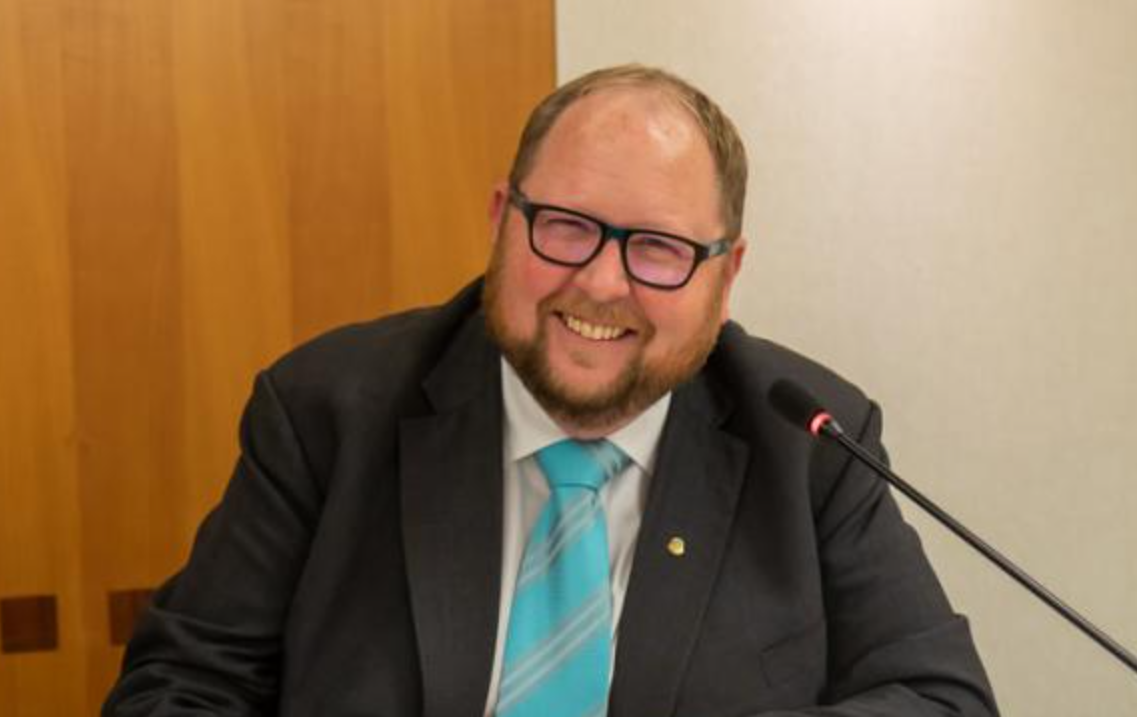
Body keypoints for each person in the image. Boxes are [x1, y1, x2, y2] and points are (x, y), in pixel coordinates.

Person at [104, 64, 998, 717]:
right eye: (566, 226)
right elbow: (178, 688)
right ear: (502, 220)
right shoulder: (328, 410)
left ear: (725, 278)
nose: (601, 283)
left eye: (657, 248)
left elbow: (940, 698)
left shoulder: (807, 440)